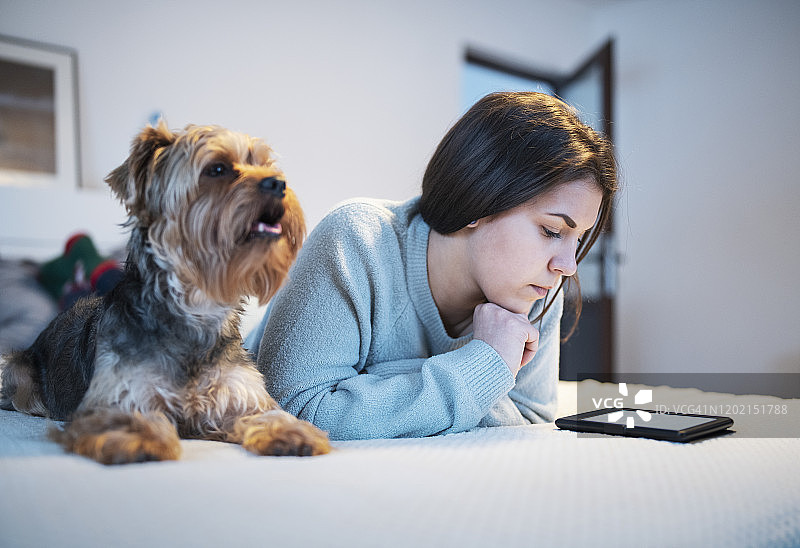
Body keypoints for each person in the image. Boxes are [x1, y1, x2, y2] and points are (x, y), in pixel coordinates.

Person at [246, 91, 618, 440]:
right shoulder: (356, 240)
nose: (568, 266)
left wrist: (368, 388)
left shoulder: (536, 287)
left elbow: (531, 422)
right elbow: (295, 410)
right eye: (552, 230)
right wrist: (484, 365)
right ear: (478, 199)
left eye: (579, 239)